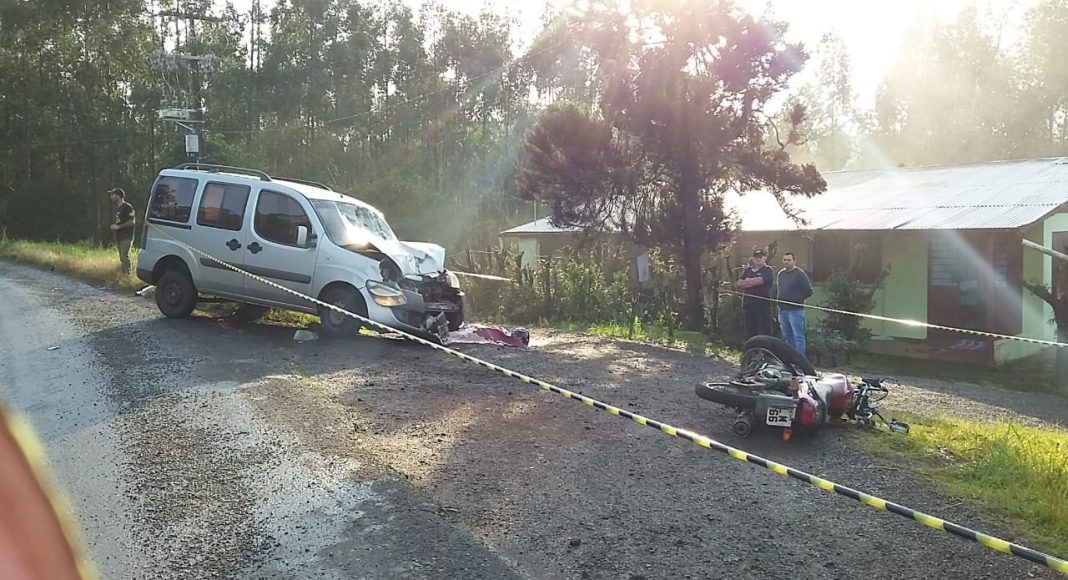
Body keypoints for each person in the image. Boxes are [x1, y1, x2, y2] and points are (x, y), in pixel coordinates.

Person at [777, 252, 814, 355]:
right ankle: (790, 358)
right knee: (787, 336)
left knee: (798, 336)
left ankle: (800, 359)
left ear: (794, 261)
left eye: (789, 260)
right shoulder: (781, 274)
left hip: (795, 310)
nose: (786, 262)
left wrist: (798, 299)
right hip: (782, 310)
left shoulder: (800, 274)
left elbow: (809, 291)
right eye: (785, 260)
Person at [737, 247, 774, 338]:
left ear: (765, 258)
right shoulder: (748, 270)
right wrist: (752, 282)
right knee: (751, 331)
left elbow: (760, 281)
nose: (758, 259)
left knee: (763, 331)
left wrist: (747, 280)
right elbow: (739, 283)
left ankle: (764, 347)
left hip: (762, 305)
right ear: (753, 258)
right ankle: (752, 347)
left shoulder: (767, 270)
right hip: (749, 305)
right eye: (756, 257)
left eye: (760, 257)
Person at [108, 188, 136, 275]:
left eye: (113, 195)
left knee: (124, 256)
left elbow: (132, 222)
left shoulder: (127, 207)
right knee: (122, 258)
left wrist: (118, 227)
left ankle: (128, 275)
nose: (111, 197)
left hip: (126, 236)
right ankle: (125, 274)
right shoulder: (117, 208)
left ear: (118, 196)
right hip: (119, 237)